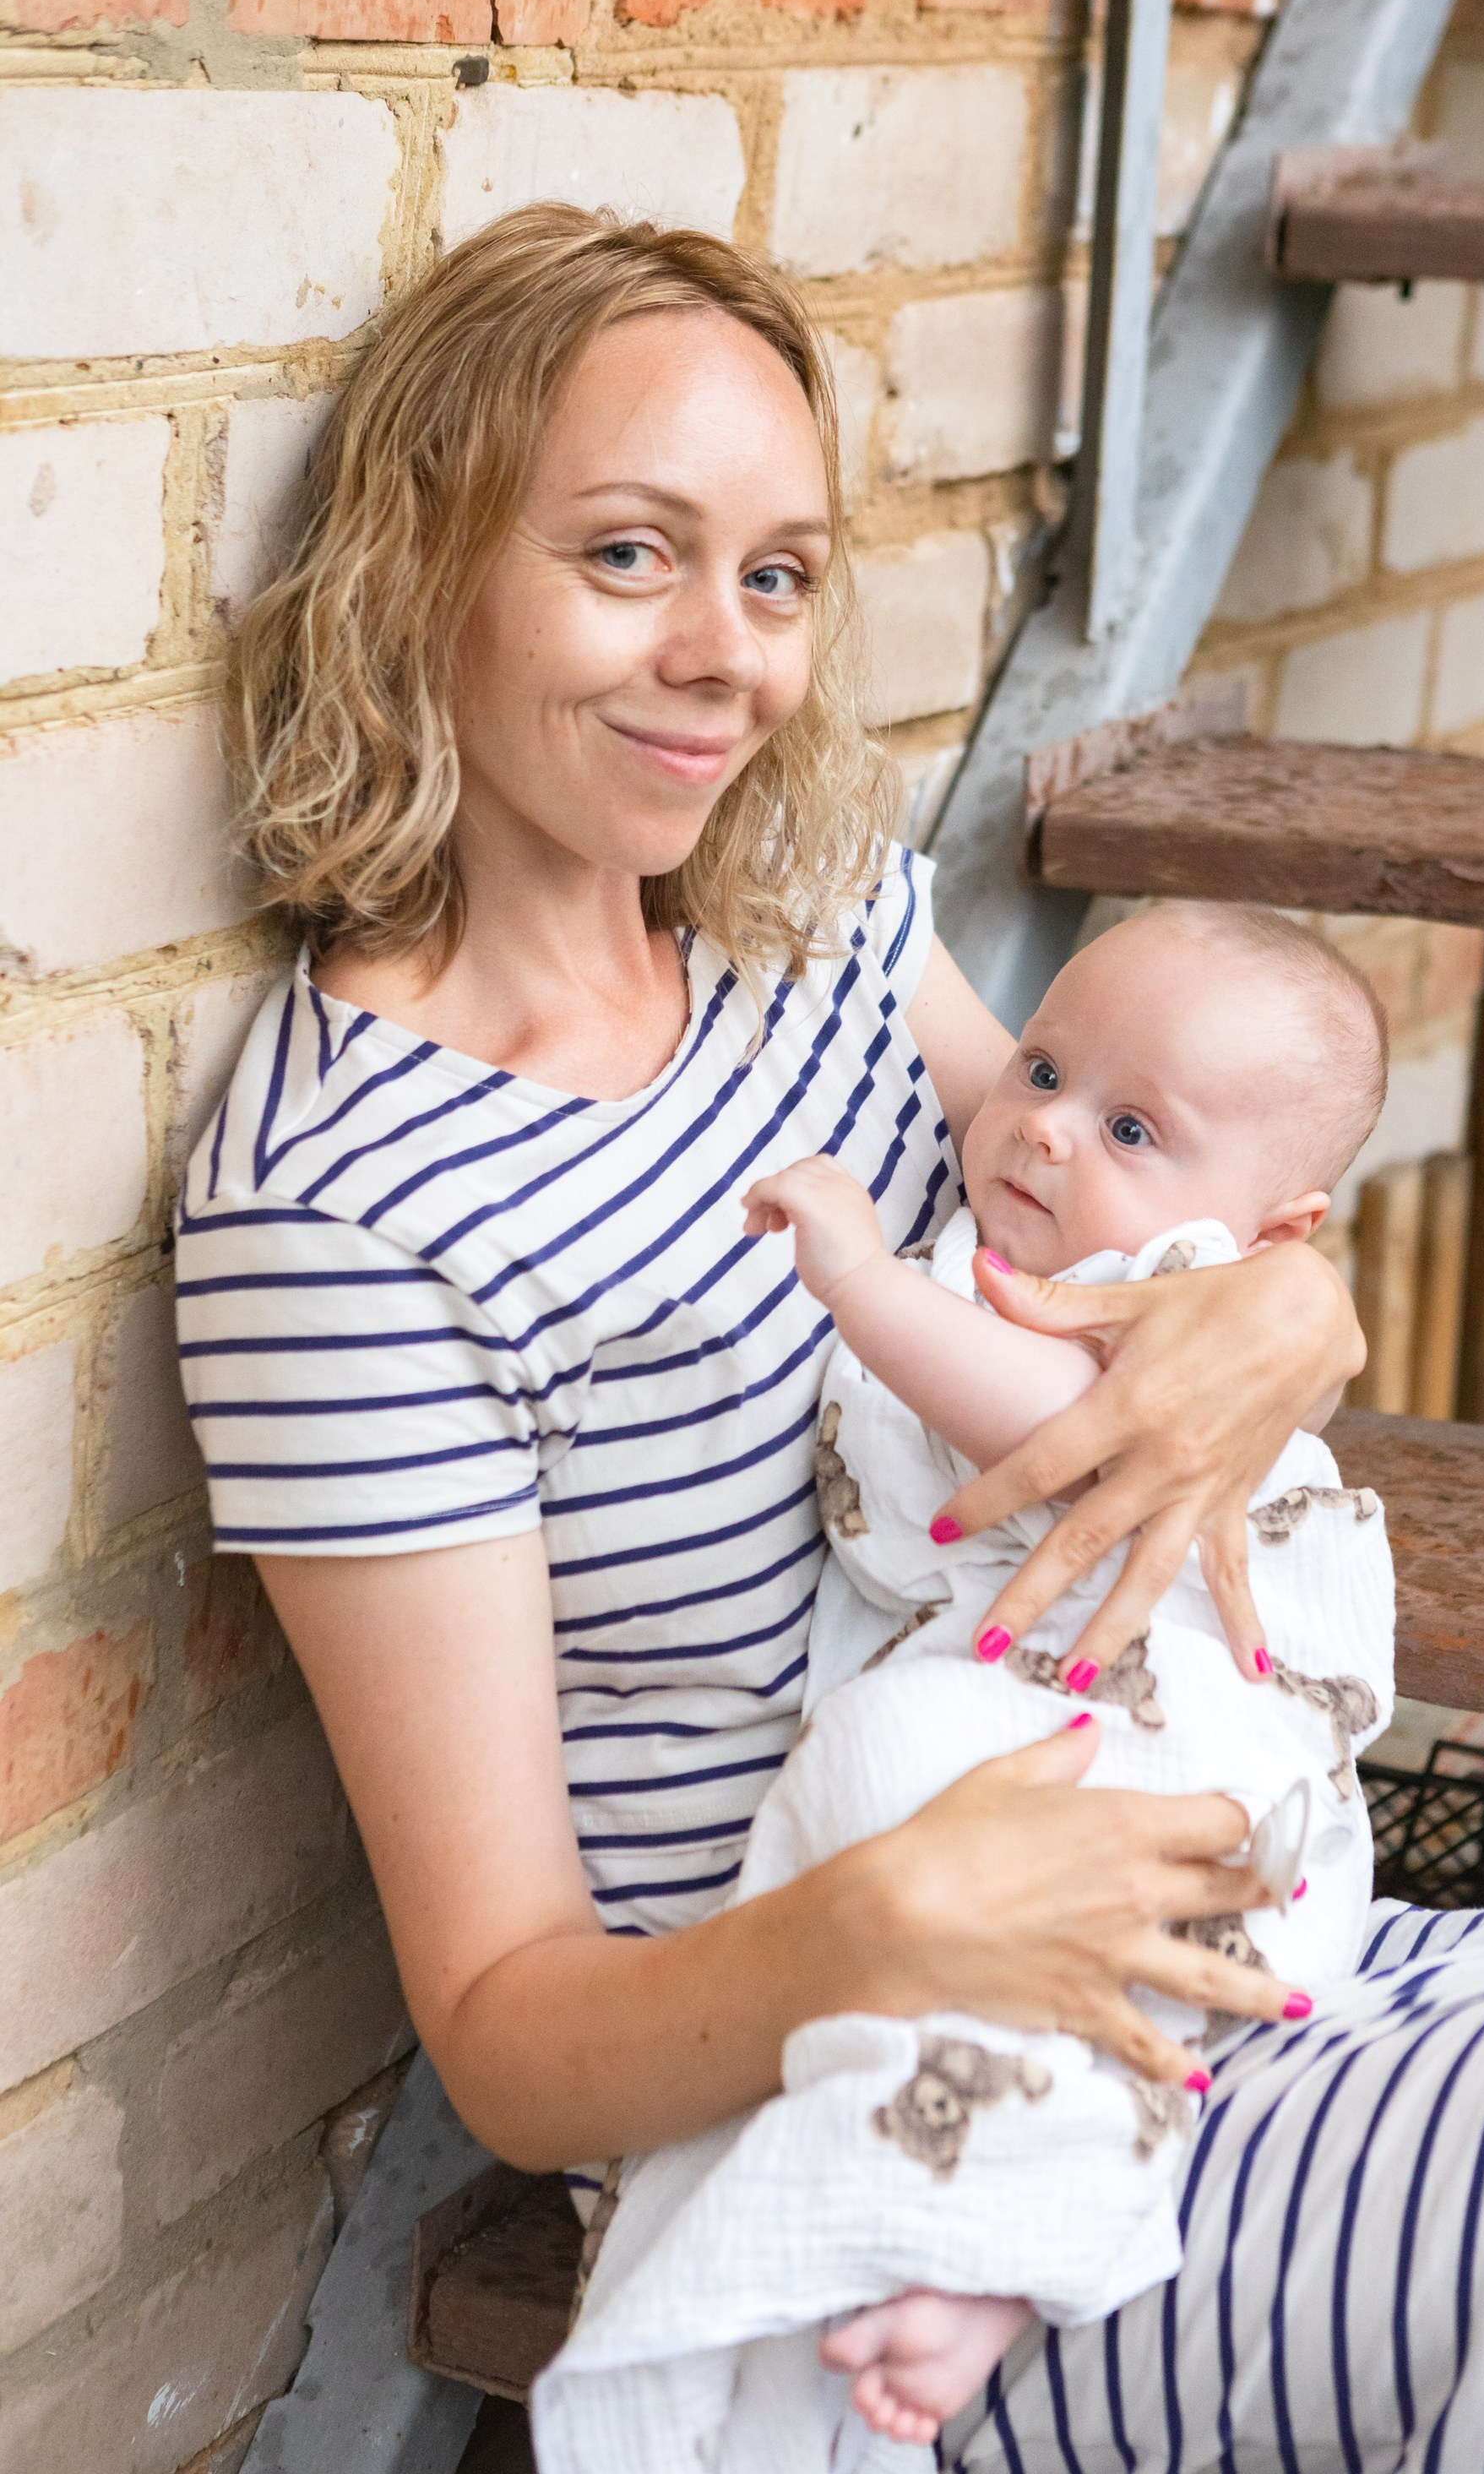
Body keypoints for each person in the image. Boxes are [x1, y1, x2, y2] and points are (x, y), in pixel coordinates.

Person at [174, 201, 1484, 2471]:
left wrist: (1292, 1305)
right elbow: (503, 2034)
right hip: (890, 2137)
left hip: (1219, 1956)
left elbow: (1160, 1225)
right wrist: (905, 1912)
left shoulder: (811, 918)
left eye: (776, 576)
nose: (727, 658)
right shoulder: (340, 1210)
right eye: (627, 556)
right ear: (421, 568)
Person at [541, 902, 1397, 2469]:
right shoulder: (1029, 1239)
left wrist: (860, 1279)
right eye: (1046, 1066)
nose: (1050, 1128)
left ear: (1275, 1231)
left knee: (902, 1762)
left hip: (1177, 1751)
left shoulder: (1158, 1283)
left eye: (1131, 1125)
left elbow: (1048, 1428)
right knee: (997, 1969)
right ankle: (983, 2261)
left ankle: (985, 2234)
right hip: (1082, 1778)